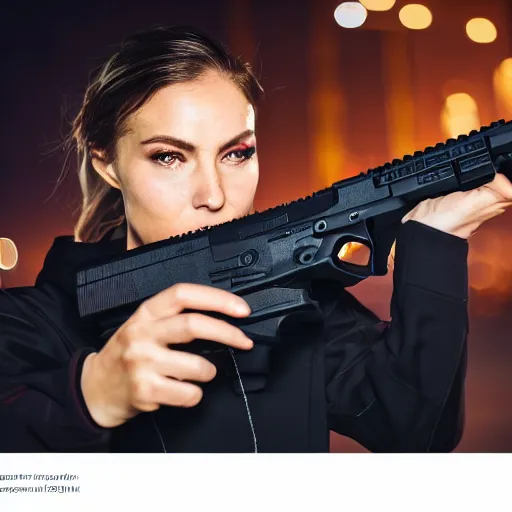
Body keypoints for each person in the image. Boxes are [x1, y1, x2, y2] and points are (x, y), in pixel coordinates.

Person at [1, 25, 511, 454]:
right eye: (169, 156)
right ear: (106, 162)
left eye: (236, 154)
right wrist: (91, 396)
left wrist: (435, 238)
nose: (215, 195)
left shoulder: (298, 306)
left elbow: (416, 432)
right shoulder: (27, 323)